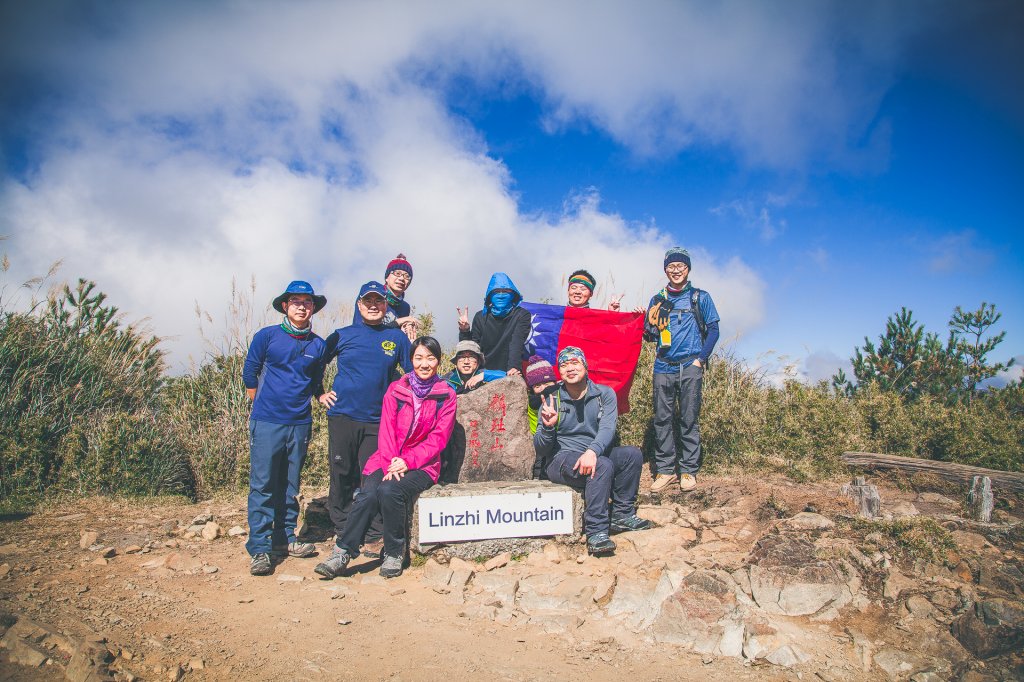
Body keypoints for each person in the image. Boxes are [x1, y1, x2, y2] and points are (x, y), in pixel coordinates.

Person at [315, 336, 456, 579]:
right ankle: (343, 552)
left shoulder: (446, 395)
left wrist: (408, 461)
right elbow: (387, 430)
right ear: (410, 360)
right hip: (387, 458)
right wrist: (392, 461)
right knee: (369, 493)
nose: (424, 364)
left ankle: (393, 551)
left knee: (389, 491)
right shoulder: (396, 389)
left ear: (438, 362)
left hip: (423, 464)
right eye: (419, 358)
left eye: (430, 358)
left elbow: (439, 438)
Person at [318, 281, 413, 559]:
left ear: (386, 306)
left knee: (372, 477)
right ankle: (344, 529)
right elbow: (314, 364)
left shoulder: (395, 338)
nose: (373, 306)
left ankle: (373, 533)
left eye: (379, 302)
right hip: (343, 415)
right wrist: (319, 393)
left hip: (378, 420)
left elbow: (411, 373)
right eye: (367, 301)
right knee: (342, 473)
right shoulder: (342, 335)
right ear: (359, 305)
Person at [242, 281, 328, 576]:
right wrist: (264, 405)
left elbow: (316, 382)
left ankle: (285, 538)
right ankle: (261, 548)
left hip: (300, 423)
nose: (301, 306)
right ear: (285, 306)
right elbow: (249, 372)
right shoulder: (267, 336)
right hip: (267, 421)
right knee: (263, 484)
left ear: (313, 307)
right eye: (295, 301)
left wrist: (319, 396)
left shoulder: (318, 344)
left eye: (307, 301)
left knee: (290, 486)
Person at [533, 346, 651, 556]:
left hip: (593, 453)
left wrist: (592, 451)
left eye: (575, 363)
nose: (570, 368)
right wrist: (549, 427)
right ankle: (596, 531)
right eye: (564, 365)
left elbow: (607, 428)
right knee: (602, 465)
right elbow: (541, 447)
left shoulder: (604, 394)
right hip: (561, 459)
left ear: (585, 367)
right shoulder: (551, 399)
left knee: (631, 455)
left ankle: (622, 514)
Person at [643, 247, 721, 493]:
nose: (676, 271)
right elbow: (649, 336)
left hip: (690, 364)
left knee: (689, 418)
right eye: (671, 267)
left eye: (681, 266)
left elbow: (714, 330)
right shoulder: (657, 299)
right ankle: (665, 471)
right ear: (665, 270)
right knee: (662, 419)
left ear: (688, 269)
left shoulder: (700, 297)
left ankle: (688, 471)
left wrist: (700, 360)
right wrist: (647, 324)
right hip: (663, 365)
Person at [456, 272, 530, 376]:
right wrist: (464, 330)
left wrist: (513, 367)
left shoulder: (522, 315)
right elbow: (471, 348)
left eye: (505, 291)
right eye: (496, 291)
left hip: (509, 372)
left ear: (513, 294)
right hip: (481, 373)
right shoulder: (481, 316)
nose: (501, 295)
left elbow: (516, 342)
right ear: (490, 295)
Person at [351, 253, 419, 340]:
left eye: (407, 276)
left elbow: (392, 335)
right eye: (397, 273)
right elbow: (362, 330)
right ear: (387, 277)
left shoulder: (405, 307)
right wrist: (399, 322)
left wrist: (406, 327)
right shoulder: (370, 294)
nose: (401, 278)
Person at [442, 340, 506, 394]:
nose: (466, 362)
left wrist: (483, 376)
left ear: (478, 361)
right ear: (456, 361)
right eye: (462, 357)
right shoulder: (447, 379)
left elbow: (507, 376)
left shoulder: (482, 373)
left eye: (471, 357)